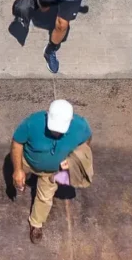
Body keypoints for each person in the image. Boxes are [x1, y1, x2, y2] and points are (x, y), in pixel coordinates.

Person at [11, 100, 93, 244]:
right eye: (53, 128)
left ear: (71, 121)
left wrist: (74, 158)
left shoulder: (81, 126)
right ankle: (25, 179)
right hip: (28, 161)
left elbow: (87, 139)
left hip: (53, 171)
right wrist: (18, 170)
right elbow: (17, 143)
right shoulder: (32, 123)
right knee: (19, 177)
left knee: (45, 197)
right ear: (47, 115)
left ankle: (36, 223)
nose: (56, 133)